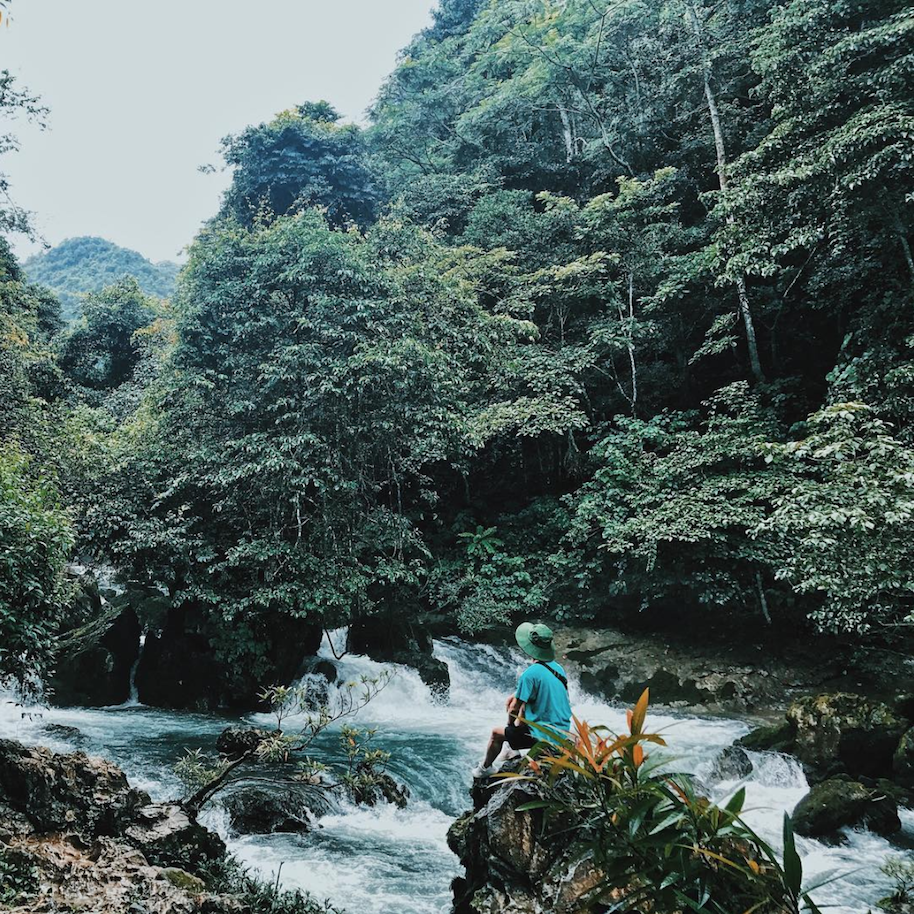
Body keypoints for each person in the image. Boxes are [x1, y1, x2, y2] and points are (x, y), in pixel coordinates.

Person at [471, 621, 572, 778]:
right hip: (563, 732)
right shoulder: (558, 669)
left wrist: (510, 729)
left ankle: (484, 769)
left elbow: (514, 709)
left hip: (544, 737)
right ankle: (512, 748)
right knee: (514, 698)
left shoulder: (530, 674)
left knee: (496, 734)